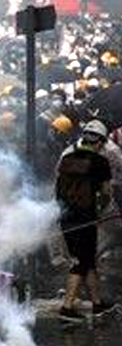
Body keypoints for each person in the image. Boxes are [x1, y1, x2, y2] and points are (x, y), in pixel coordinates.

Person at [56, 120, 116, 321]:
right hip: (86, 218)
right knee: (81, 262)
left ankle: (97, 303)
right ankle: (67, 307)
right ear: (99, 142)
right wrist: (100, 211)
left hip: (66, 218)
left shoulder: (67, 158)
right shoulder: (100, 162)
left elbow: (58, 189)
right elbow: (106, 192)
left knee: (87, 259)